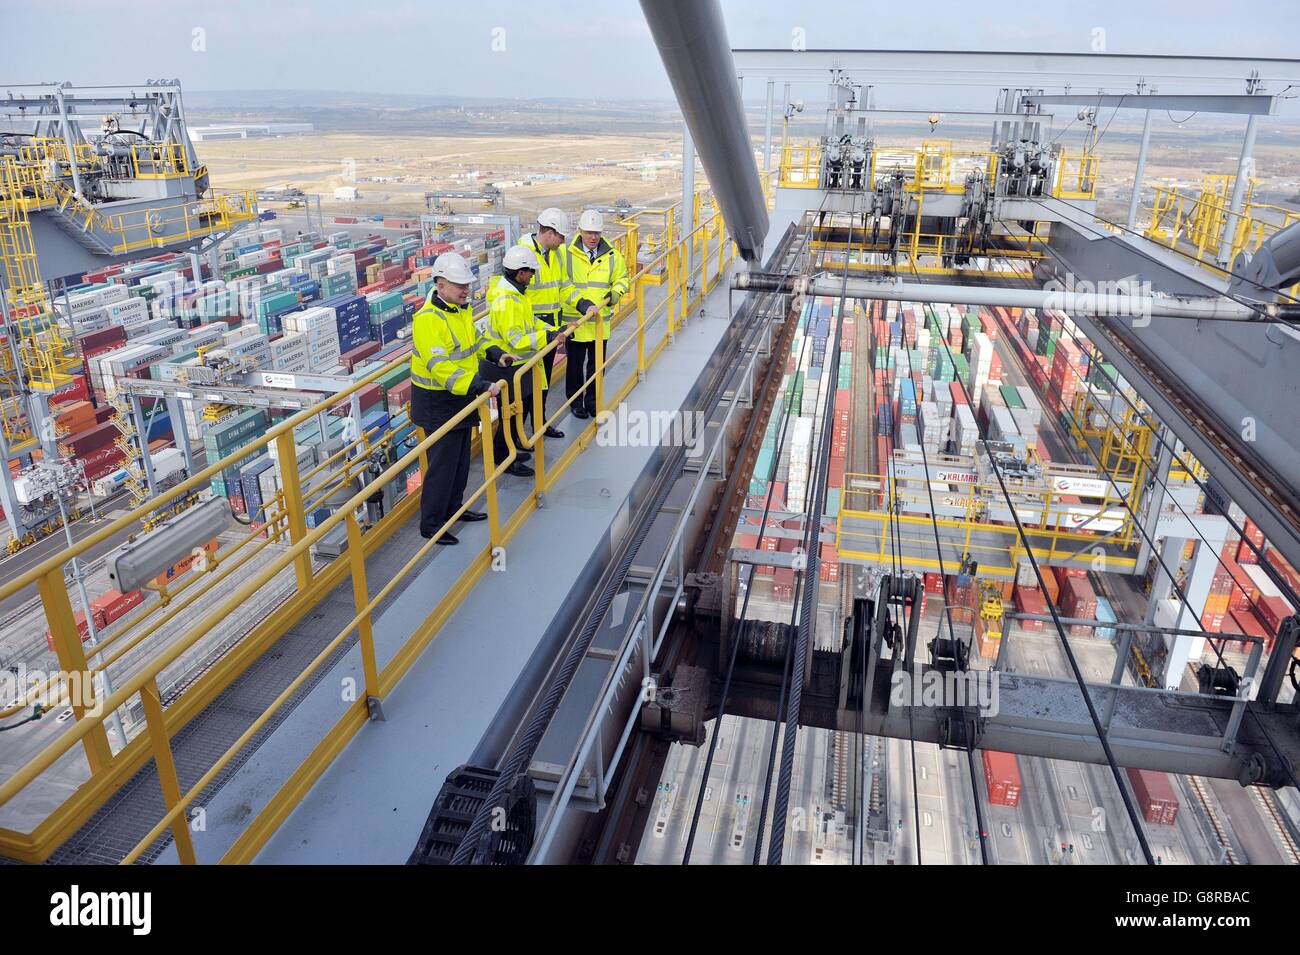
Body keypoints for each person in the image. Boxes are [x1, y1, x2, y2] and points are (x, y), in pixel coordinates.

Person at [408, 252, 510, 545]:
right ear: (440, 285)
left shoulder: (459, 310)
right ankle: (432, 525)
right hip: (438, 402)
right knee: (442, 466)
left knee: (461, 461)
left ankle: (454, 509)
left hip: (463, 398)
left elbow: (475, 342)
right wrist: (480, 385)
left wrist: (495, 354)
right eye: (459, 285)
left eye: (466, 284)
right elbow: (441, 370)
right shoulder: (428, 320)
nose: (466, 290)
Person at [482, 244, 568, 478]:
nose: (533, 275)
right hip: (504, 367)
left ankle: (510, 448)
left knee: (517, 411)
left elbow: (531, 322)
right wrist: (547, 337)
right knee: (509, 414)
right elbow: (517, 339)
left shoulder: (517, 294)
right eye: (531, 271)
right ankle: (503, 459)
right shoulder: (508, 301)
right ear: (520, 272)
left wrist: (552, 330)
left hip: (515, 366)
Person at [561, 209, 629, 419]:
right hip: (576, 322)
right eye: (589, 232)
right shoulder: (566, 254)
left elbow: (623, 278)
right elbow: (563, 284)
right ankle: (575, 402)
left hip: (600, 324)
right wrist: (582, 304)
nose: (593, 237)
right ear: (580, 231)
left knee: (597, 368)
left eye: (596, 233)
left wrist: (616, 293)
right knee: (574, 367)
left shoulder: (612, 255)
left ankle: (593, 402)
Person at [516, 208, 574, 438]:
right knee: (526, 388)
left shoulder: (556, 254)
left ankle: (539, 425)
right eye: (560, 237)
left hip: (550, 330)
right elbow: (517, 296)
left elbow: (564, 286)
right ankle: (520, 435)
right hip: (529, 331)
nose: (562, 242)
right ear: (549, 232)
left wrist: (583, 304)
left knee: (543, 384)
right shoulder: (523, 253)